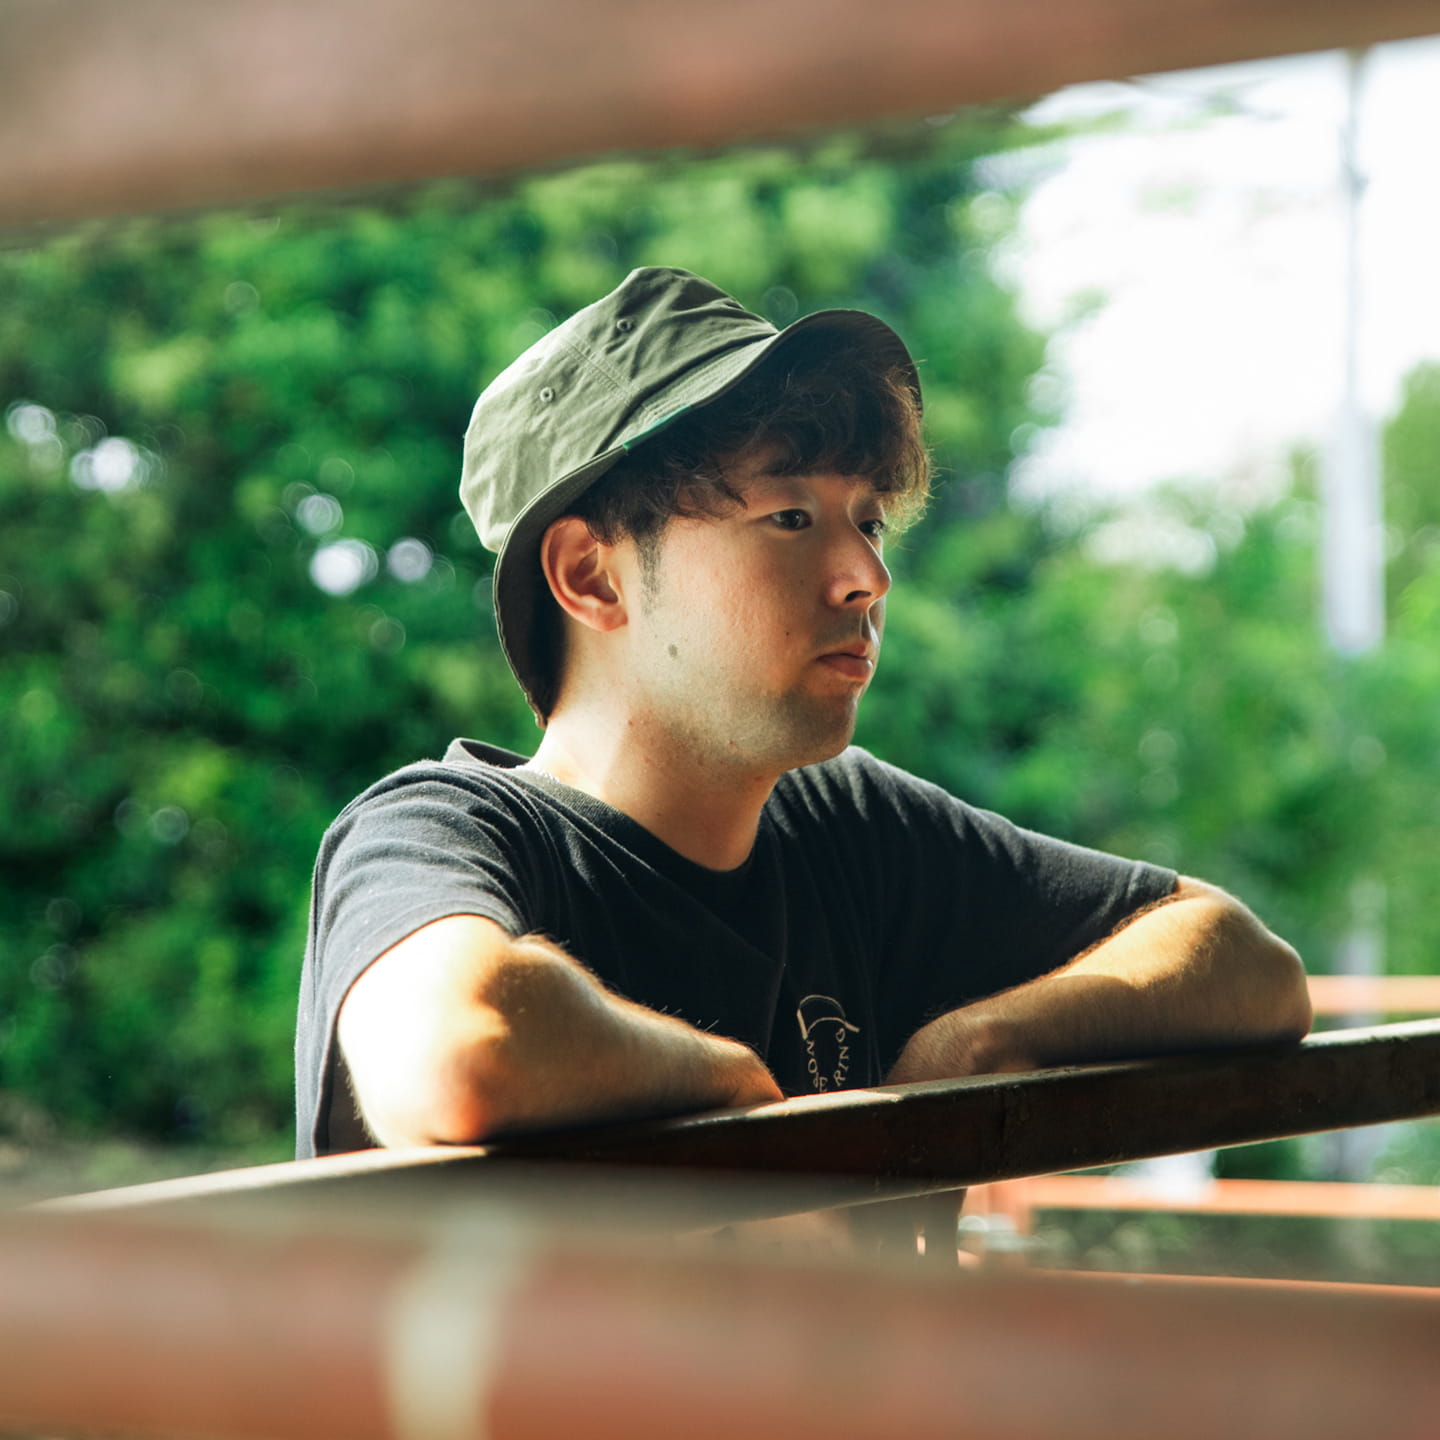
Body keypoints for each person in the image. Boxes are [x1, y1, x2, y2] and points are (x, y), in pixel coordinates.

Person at [295, 266, 1310, 1159]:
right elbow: (460, 1055)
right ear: (591, 576)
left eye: (869, 521)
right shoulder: (436, 833)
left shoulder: (854, 828)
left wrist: (983, 1041)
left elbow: (1247, 965)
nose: (868, 575)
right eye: (790, 517)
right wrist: (741, 1095)